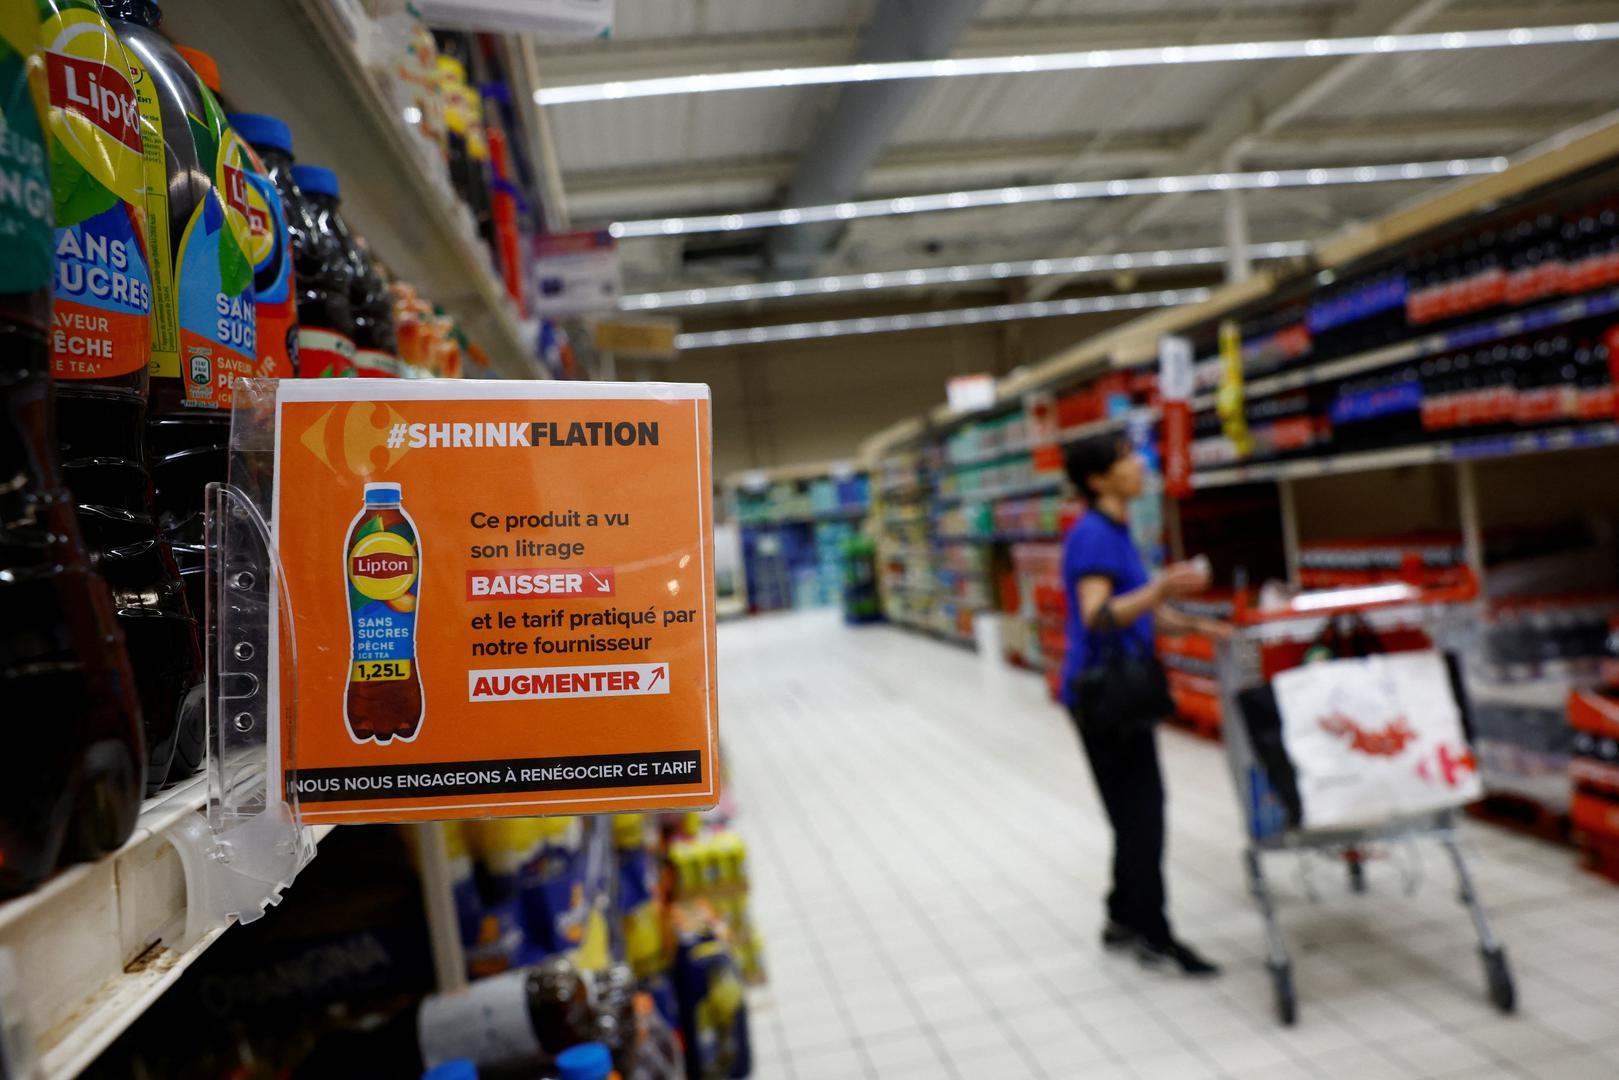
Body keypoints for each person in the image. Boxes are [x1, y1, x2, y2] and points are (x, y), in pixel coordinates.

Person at [1061, 432, 1227, 977]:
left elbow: (1140, 611)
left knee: (1133, 814)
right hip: (1106, 695)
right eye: (1125, 459)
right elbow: (1097, 614)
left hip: (1116, 692)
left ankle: (1121, 918)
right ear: (1097, 480)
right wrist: (1159, 589)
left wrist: (1199, 626)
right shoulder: (1093, 535)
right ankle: (1154, 935)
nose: (1138, 465)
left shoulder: (1115, 530)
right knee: (1142, 816)